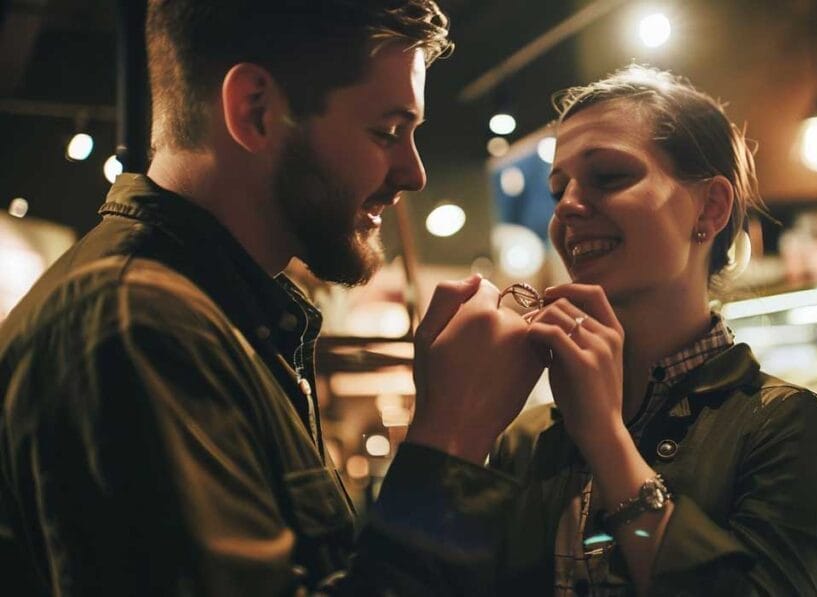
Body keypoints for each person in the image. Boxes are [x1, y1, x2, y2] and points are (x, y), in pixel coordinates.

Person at [0, 1, 543, 595]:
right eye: (387, 132)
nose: (413, 173)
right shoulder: (139, 322)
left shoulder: (217, 314)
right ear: (254, 109)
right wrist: (451, 438)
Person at [490, 65, 817, 596]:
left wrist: (606, 440)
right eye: (559, 186)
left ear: (710, 207)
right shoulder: (528, 436)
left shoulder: (785, 424)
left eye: (609, 176)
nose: (566, 206)